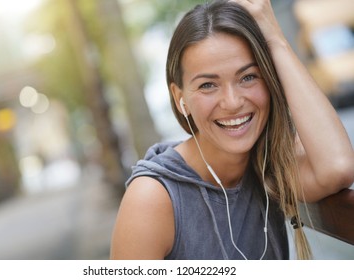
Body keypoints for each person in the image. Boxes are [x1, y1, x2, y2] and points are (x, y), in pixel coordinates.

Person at [110, 0, 354, 260]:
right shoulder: (153, 198)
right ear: (180, 98)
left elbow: (337, 167)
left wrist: (275, 38)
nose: (233, 102)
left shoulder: (266, 167)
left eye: (248, 77)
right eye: (207, 85)